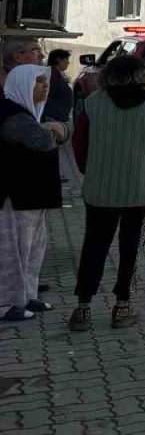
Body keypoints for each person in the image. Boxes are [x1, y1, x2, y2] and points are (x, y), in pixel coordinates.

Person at [69, 55, 145, 331]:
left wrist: (91, 172)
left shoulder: (93, 103)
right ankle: (122, 307)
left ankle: (82, 309)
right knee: (131, 250)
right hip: (140, 192)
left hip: (99, 190)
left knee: (94, 246)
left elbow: (80, 147)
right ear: (143, 75)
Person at [0, 64, 66, 321]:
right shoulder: (13, 115)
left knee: (34, 249)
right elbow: (43, 140)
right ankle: (7, 303)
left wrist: (56, 129)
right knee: (13, 252)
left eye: (44, 81)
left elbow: (52, 134)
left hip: (34, 195)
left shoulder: (31, 113)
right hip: (18, 196)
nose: (44, 86)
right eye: (38, 82)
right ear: (22, 85)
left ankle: (27, 296)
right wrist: (56, 130)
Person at [45, 49, 75, 198]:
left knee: (55, 146)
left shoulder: (57, 74)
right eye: (65, 60)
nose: (68, 63)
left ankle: (55, 173)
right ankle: (52, 175)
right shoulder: (50, 74)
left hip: (58, 115)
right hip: (52, 115)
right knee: (52, 145)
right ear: (58, 60)